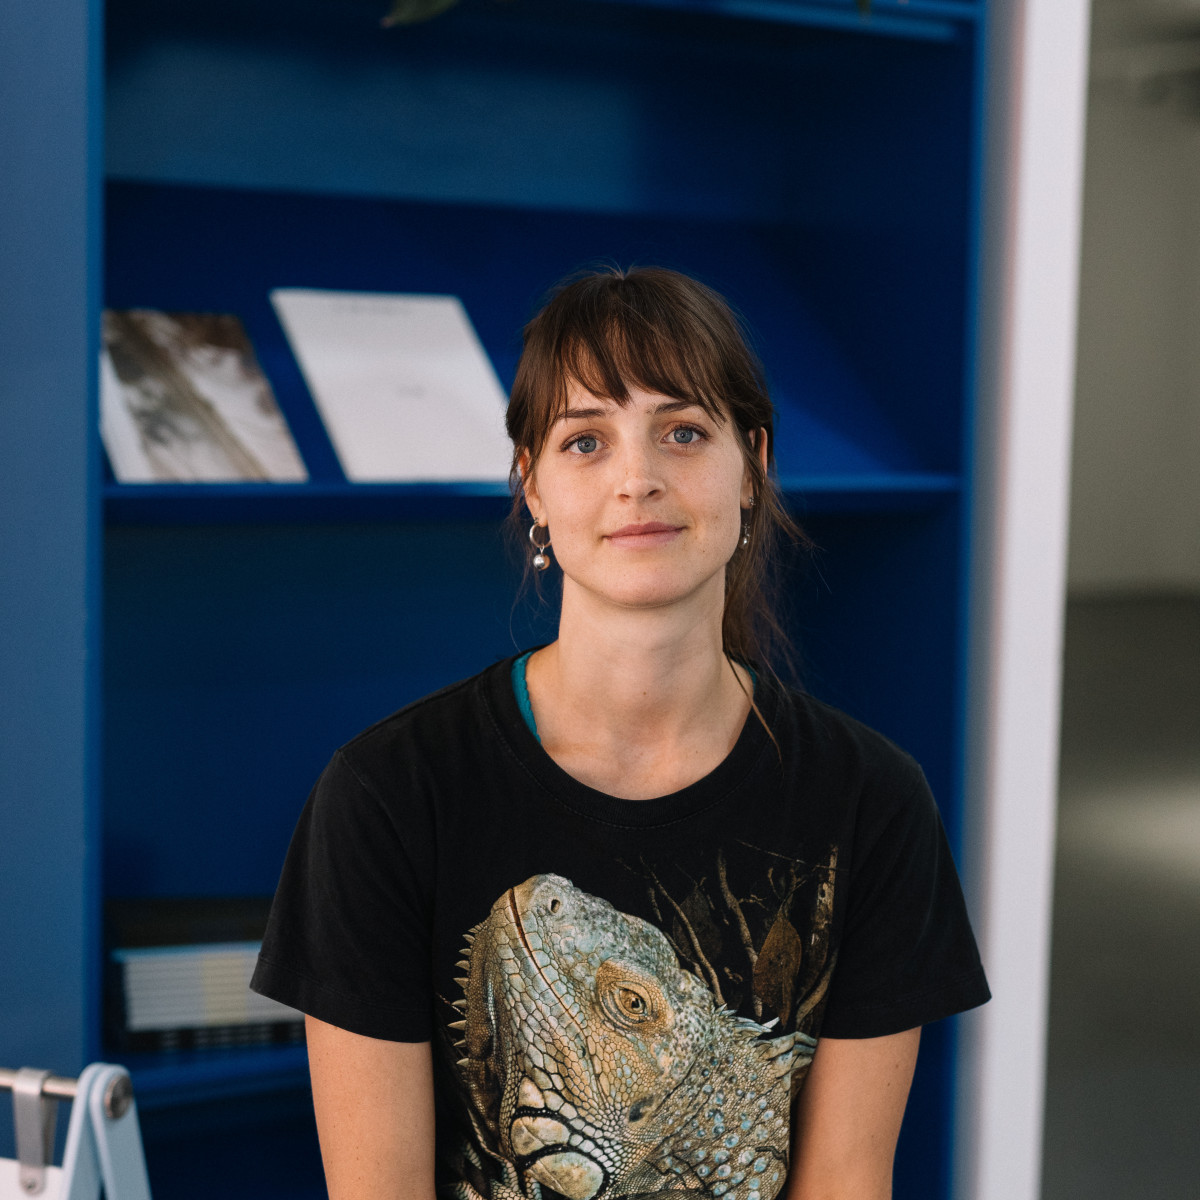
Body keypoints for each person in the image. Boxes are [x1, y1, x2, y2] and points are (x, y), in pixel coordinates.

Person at [250, 266, 989, 1200]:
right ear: (533, 488)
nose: (637, 479)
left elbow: (846, 1178)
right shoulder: (388, 794)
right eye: (586, 441)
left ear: (753, 467)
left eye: (683, 433)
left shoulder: (873, 802)